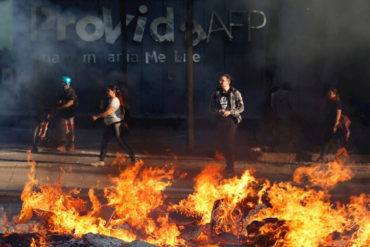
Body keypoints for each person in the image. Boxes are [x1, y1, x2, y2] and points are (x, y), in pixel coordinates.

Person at [91, 84, 136, 166]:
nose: (107, 92)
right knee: (104, 142)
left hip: (116, 125)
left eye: (108, 90)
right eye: (107, 90)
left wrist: (97, 117)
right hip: (110, 124)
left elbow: (108, 112)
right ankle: (101, 161)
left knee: (121, 142)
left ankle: (133, 158)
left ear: (114, 91)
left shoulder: (115, 100)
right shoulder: (111, 100)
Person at [210, 74, 244, 176]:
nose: (220, 82)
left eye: (223, 80)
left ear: (228, 82)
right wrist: (218, 111)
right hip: (220, 120)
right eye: (220, 80)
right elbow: (212, 107)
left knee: (228, 143)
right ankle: (227, 166)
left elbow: (241, 107)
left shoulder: (235, 93)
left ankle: (230, 167)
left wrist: (230, 112)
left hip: (231, 120)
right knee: (222, 143)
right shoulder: (217, 93)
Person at [317, 88, 345, 162]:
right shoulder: (329, 101)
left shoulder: (337, 102)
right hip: (329, 123)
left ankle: (340, 158)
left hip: (334, 123)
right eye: (329, 93)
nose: (329, 94)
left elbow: (338, 114)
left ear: (335, 94)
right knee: (326, 140)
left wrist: (336, 125)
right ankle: (322, 157)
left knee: (336, 141)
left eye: (331, 93)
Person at [56, 76, 78, 152]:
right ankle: (63, 145)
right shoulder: (61, 90)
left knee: (71, 129)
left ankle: (72, 144)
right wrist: (59, 103)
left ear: (66, 83)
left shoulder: (71, 91)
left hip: (70, 113)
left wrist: (62, 107)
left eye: (63, 82)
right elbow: (59, 100)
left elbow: (71, 102)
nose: (61, 83)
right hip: (63, 113)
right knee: (64, 129)